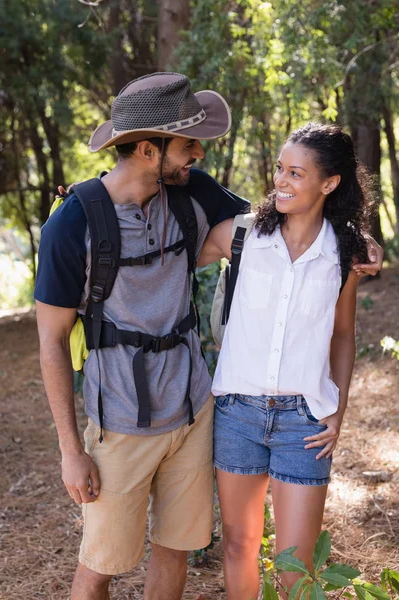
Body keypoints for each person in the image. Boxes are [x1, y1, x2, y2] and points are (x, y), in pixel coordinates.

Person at [34, 72, 250, 600]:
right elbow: (51, 342)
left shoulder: (191, 193)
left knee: (175, 546)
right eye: (187, 144)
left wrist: (346, 236)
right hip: (121, 422)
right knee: (102, 563)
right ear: (149, 149)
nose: (198, 153)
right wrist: (70, 450)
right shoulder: (72, 225)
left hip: (193, 409)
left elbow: (262, 229)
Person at [197, 123, 378, 600]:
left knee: (294, 566)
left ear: (329, 183)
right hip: (237, 413)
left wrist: (336, 410)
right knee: (239, 545)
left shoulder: (343, 254)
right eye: (280, 168)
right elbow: (165, 251)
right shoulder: (240, 236)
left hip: (305, 421)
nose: (281, 180)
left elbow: (342, 334)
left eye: (296, 172)